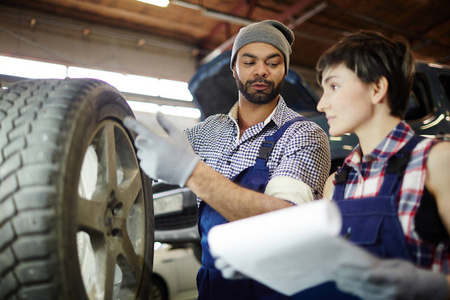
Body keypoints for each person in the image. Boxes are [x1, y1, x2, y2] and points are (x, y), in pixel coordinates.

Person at [125, 20, 331, 300]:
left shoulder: (305, 134)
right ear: (233, 68)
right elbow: (135, 170)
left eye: (273, 62)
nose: (261, 71)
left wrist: (190, 171)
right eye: (249, 62)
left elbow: (286, 224)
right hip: (213, 286)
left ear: (284, 70)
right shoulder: (207, 132)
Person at [315, 30, 450, 299]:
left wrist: (435, 287)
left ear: (377, 88)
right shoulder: (336, 184)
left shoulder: (436, 161)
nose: (321, 104)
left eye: (334, 86)